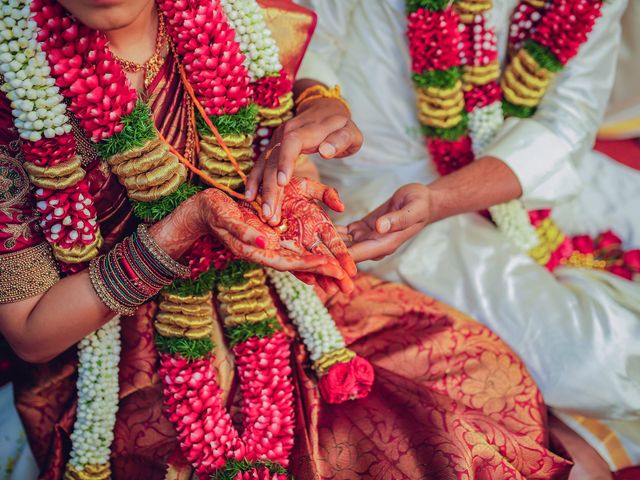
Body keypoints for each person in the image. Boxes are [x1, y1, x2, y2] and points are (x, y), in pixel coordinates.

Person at [0, 0, 572, 479]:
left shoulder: (225, 16)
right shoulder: (15, 84)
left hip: (270, 295)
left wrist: (314, 132)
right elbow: (30, 334)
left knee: (481, 383)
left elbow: (281, 106)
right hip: (117, 353)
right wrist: (181, 229)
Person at [254, 0, 638, 477]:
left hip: (518, 173)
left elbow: (565, 126)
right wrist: (319, 99)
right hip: (378, 184)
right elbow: (303, 29)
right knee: (601, 365)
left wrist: (442, 199)